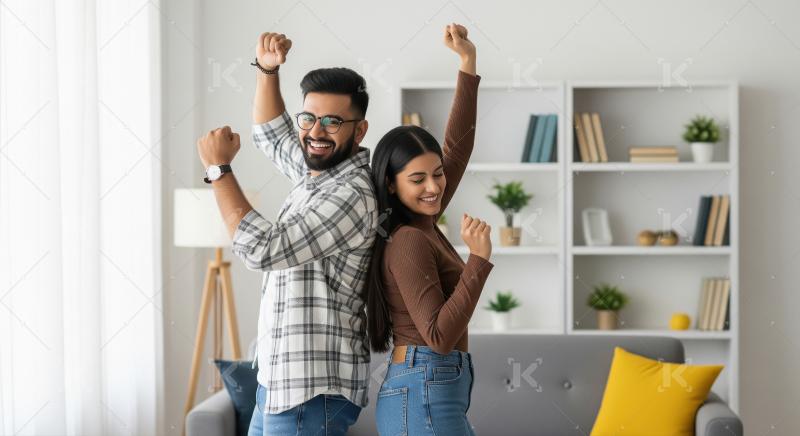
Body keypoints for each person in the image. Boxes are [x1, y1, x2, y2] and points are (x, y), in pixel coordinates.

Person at [195, 31, 377, 436]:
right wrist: (267, 70)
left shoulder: (350, 194)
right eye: (309, 117)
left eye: (332, 121)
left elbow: (262, 248)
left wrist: (218, 171)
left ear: (359, 131)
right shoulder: (318, 175)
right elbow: (272, 135)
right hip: (280, 384)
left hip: (311, 394)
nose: (316, 131)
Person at [365, 23, 493, 436]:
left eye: (437, 175)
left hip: (429, 389)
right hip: (422, 389)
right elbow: (438, 335)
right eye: (418, 180)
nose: (435, 187)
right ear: (391, 183)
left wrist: (467, 63)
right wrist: (478, 261)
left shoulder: (423, 222)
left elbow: (458, 146)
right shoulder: (407, 241)